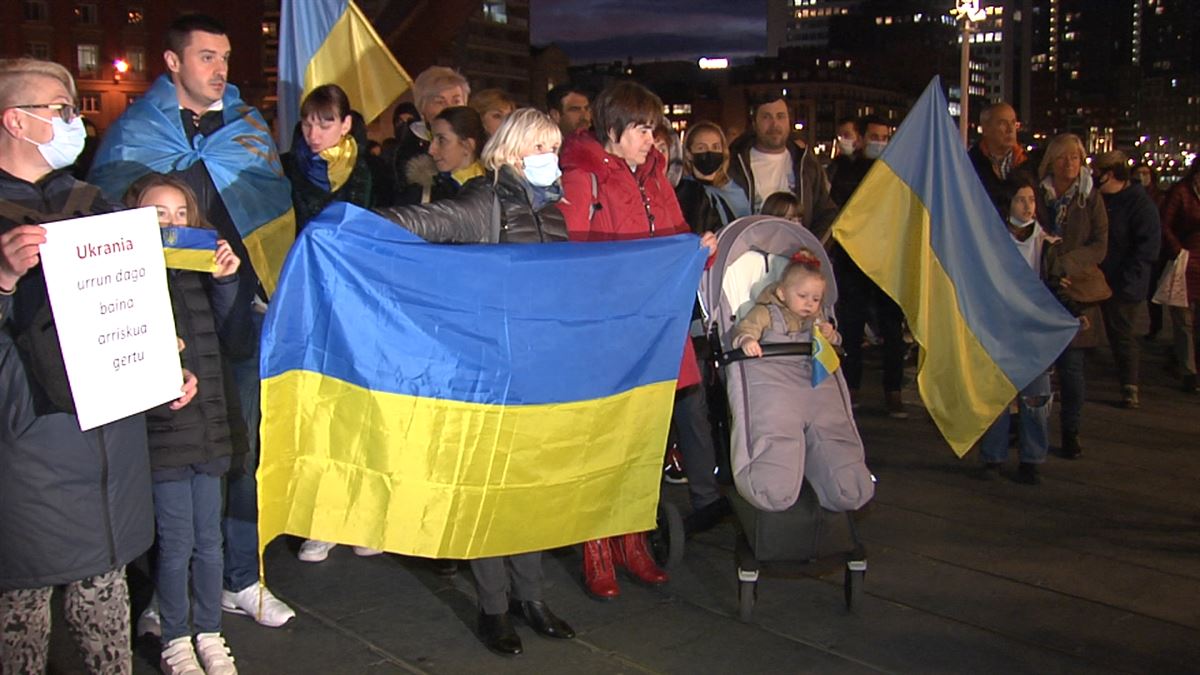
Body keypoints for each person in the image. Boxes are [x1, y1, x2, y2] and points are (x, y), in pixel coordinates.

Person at [88, 13, 297, 628]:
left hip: (237, 312)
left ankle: (240, 577)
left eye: (225, 57)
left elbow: (275, 204)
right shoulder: (134, 134)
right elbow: (108, 218)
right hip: (162, 318)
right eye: (206, 57)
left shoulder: (248, 129)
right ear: (174, 63)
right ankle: (167, 593)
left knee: (242, 449)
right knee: (163, 457)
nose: (220, 69)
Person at [0, 57, 196, 674]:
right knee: (23, 614)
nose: (72, 120)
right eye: (58, 109)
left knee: (106, 600)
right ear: (15, 120)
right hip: (33, 447)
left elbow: (132, 304)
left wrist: (163, 365)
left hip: (110, 448)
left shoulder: (93, 204)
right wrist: (4, 279)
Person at [377, 108, 576, 656]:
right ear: (512, 152)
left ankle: (530, 597)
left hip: (535, 370)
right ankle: (494, 606)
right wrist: (355, 225)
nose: (551, 159)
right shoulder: (482, 203)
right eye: (542, 147)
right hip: (488, 371)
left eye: (555, 148)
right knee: (488, 492)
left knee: (528, 490)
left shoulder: (552, 209)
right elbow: (421, 223)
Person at [558, 81, 718, 600]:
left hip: (654, 327)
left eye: (653, 128)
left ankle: (633, 544)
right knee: (603, 444)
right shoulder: (583, 176)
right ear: (614, 128)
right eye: (642, 129)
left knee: (645, 445)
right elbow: (573, 257)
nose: (652, 139)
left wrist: (698, 250)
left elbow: (673, 236)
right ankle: (597, 549)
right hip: (609, 332)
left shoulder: (653, 177)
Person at [125, 174, 246, 675]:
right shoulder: (129, 279)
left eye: (180, 214)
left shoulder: (200, 272)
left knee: (209, 541)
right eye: (158, 215)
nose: (172, 224)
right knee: (175, 545)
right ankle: (175, 637)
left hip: (212, 426)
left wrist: (228, 281)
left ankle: (210, 631)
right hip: (166, 434)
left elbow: (233, 337)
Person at [978, 176, 1074, 485]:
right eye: (1021, 200)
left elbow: (1057, 283)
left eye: (1031, 200)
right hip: (999, 328)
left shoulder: (1046, 244)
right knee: (997, 395)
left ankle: (1032, 458)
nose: (1027, 206)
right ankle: (993, 456)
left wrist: (1073, 312)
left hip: (1034, 331)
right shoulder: (992, 241)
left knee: (1036, 398)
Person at [829, 116, 910, 418]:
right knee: (851, 326)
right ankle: (851, 387)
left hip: (887, 258)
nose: (880, 142)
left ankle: (894, 391)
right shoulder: (845, 170)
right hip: (853, 259)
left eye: (885, 137)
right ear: (862, 139)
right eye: (874, 136)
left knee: (891, 327)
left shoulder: (896, 171)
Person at [1036, 134, 1109, 458]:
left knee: (1072, 367)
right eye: (1063, 158)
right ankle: (1026, 430)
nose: (1069, 164)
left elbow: (1100, 243)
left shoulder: (1089, 197)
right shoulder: (1038, 193)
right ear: (1052, 160)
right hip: (1040, 284)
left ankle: (1071, 430)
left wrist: (1067, 264)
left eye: (1075, 158)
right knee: (1034, 367)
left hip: (1077, 287)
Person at [1093, 150, 1161, 409]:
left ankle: (1129, 385)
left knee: (1122, 334)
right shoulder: (1100, 200)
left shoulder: (1139, 204)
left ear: (1108, 174)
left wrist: (1127, 278)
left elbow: (1147, 247)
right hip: (1100, 276)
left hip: (1124, 282)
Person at [727, 97, 837, 237]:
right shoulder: (734, 165)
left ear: (789, 122)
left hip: (796, 254)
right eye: (766, 117)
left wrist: (811, 248)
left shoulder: (807, 165)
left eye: (781, 116)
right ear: (754, 123)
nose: (774, 124)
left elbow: (826, 213)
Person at [282, 84, 373, 231]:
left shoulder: (373, 171)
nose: (312, 135)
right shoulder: (283, 168)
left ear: (346, 125)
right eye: (307, 125)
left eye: (324, 127)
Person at [733, 250, 842, 357]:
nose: (809, 303)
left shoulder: (817, 320)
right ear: (782, 294)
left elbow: (836, 344)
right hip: (772, 366)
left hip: (807, 370)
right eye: (802, 296)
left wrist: (829, 336)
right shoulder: (765, 313)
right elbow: (746, 328)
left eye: (816, 299)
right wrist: (747, 340)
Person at [392, 67, 470, 206]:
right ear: (422, 108)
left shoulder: (480, 149)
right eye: (440, 102)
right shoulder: (408, 152)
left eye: (456, 101)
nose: (449, 108)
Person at [1160, 160, 1200, 394]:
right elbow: (1165, 224)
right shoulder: (1181, 192)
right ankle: (1189, 371)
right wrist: (1177, 250)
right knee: (1183, 321)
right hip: (1185, 261)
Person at [675, 121, 751, 234]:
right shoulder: (685, 193)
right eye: (701, 148)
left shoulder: (734, 191)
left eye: (716, 147)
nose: (709, 152)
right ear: (688, 154)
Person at [403, 106, 485, 205]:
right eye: (431, 139)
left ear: (467, 145)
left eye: (441, 140)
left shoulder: (497, 189)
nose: (431, 150)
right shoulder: (421, 193)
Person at [968, 102, 1029, 207]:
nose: (1010, 130)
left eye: (1013, 123)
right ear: (985, 129)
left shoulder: (1028, 164)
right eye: (1003, 123)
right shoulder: (969, 164)